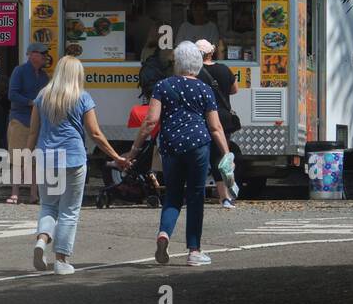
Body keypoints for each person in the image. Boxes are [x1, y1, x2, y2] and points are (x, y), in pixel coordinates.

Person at [128, 41, 230, 267]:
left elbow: (150, 121)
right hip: (198, 147)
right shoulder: (204, 88)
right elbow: (215, 127)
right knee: (195, 196)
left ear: (177, 63)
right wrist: (226, 152)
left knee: (173, 195)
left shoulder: (163, 86)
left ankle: (164, 234)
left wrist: (135, 150)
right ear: (196, 63)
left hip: (171, 146)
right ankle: (194, 251)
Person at [27, 56, 129, 274]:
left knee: (48, 206)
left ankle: (41, 241)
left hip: (46, 158)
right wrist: (116, 157)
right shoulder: (82, 97)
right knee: (69, 211)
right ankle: (61, 260)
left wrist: (27, 156)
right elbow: (95, 133)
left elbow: (33, 131)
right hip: (73, 158)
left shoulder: (42, 96)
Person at [197, 39, 240, 208]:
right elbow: (234, 90)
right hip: (223, 117)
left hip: (204, 117)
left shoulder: (196, 73)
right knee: (222, 156)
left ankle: (210, 194)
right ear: (212, 52)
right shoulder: (224, 69)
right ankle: (227, 194)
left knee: (202, 156)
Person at [6, 42, 49, 204]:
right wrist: (31, 102)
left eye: (45, 54)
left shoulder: (45, 76)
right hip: (20, 119)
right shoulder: (20, 71)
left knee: (35, 158)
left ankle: (34, 194)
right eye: (42, 53)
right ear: (31, 54)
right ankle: (14, 193)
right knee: (17, 157)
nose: (45, 56)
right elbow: (12, 94)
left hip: (38, 121)